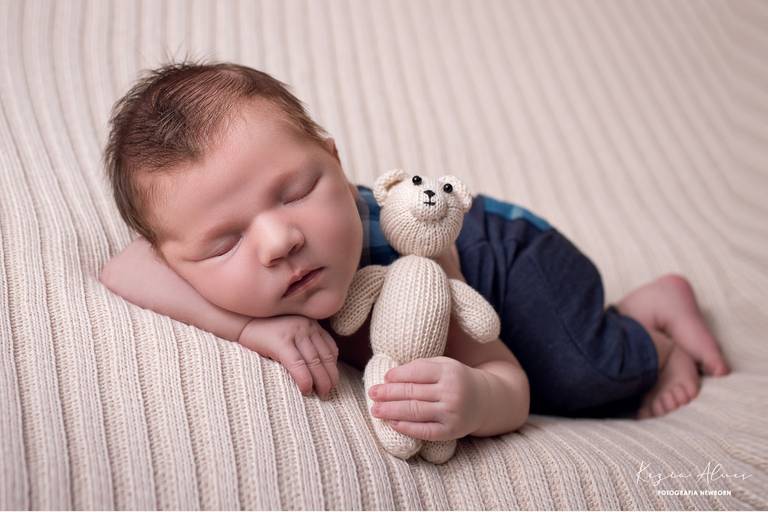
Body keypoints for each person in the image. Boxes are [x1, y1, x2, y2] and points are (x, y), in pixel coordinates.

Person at [99, 61, 730, 443]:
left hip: (507, 258)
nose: (278, 240)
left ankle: (655, 332)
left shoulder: (420, 267)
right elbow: (122, 267)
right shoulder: (187, 253)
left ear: (336, 162)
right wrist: (249, 331)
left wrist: (478, 399)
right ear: (175, 255)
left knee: (579, 377)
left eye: (295, 192)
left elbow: (506, 381)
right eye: (226, 241)